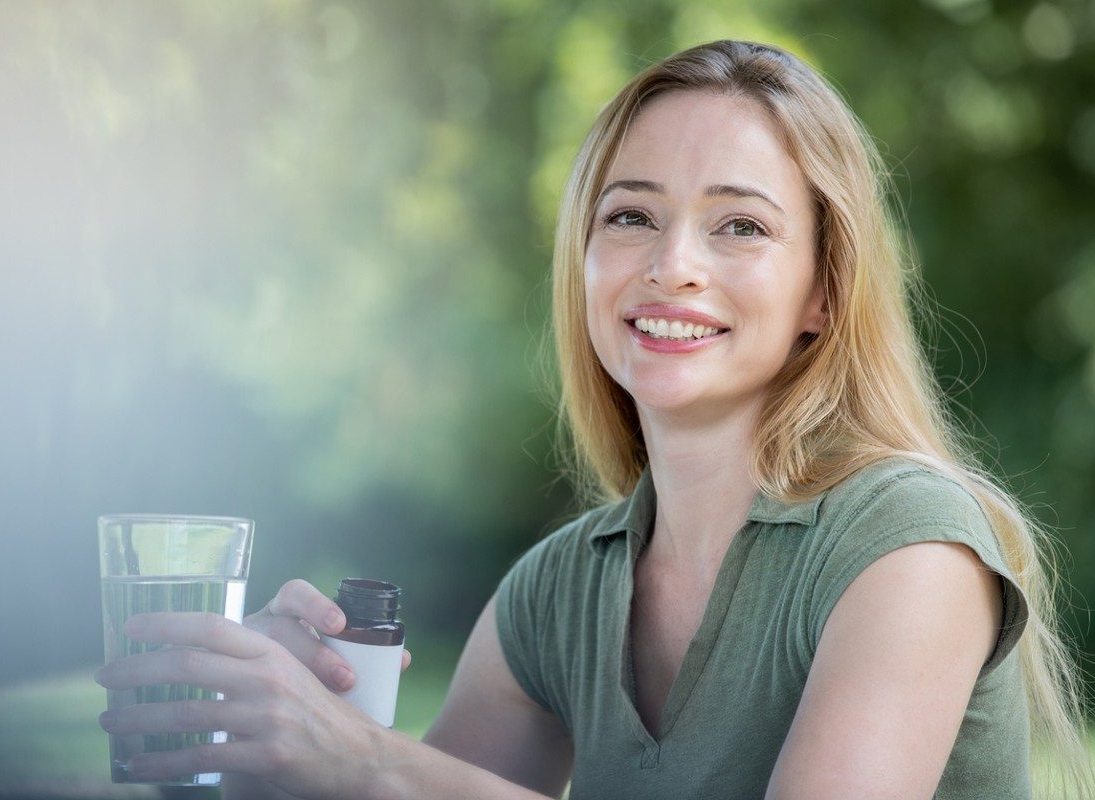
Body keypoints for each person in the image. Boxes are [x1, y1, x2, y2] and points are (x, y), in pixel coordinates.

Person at [95, 40, 1094, 798]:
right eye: (631, 215)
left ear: (823, 292)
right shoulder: (559, 590)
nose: (672, 264)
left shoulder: (907, 549)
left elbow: (395, 778)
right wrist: (289, 719)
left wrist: (364, 758)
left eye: (740, 224)